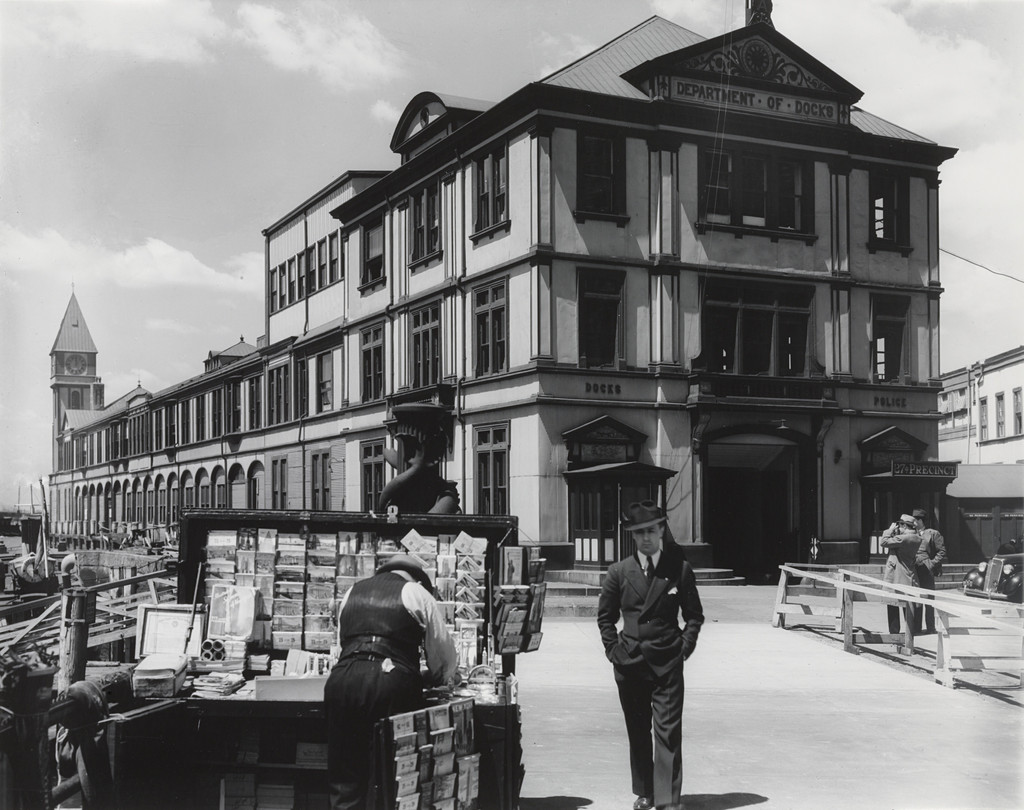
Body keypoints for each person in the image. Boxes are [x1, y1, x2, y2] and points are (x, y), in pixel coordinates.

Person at [324, 554, 458, 810]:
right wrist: (436, 678)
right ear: (417, 579)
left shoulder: (353, 591)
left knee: (345, 780)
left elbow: (345, 642)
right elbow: (443, 658)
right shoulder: (416, 593)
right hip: (390, 683)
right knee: (393, 778)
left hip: (342, 680)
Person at [597, 502, 704, 810]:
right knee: (638, 732)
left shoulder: (678, 569)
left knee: (668, 733)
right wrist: (612, 650)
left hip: (667, 663)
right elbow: (605, 618)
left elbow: (694, 616)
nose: (646, 538)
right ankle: (645, 791)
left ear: (661, 531)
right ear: (633, 535)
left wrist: (683, 648)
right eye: (639, 532)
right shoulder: (619, 572)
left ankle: (668, 799)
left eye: (651, 531)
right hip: (629, 662)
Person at [879, 514, 922, 635]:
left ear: (904, 525)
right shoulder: (916, 537)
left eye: (900, 525)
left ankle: (894, 633)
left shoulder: (903, 538)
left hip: (896, 575)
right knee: (907, 605)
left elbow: (883, 542)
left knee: (892, 603)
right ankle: (910, 632)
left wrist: (889, 530)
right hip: (907, 574)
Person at [912, 507, 946, 634]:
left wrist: (932, 563)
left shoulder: (932, 533)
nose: (913, 523)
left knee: (929, 598)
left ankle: (930, 627)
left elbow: (941, 551)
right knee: (916, 598)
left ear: (920, 520)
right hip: (914, 569)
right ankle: (916, 627)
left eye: (915, 520)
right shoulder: (911, 533)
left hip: (927, 568)